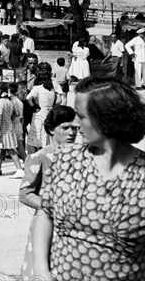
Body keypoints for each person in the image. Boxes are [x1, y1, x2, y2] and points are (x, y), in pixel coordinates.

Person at [33, 76, 145, 280]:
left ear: (107, 118)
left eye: (81, 116)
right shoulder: (66, 158)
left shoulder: (141, 175)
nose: (76, 123)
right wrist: (41, 272)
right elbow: (45, 214)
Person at [18, 105, 78, 278]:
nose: (71, 133)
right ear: (51, 129)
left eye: (74, 128)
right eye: (65, 128)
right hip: (47, 227)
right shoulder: (39, 158)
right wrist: (48, 205)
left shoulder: (82, 156)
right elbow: (25, 193)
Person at [26, 70, 58, 155]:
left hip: (39, 114)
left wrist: (34, 107)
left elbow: (28, 98)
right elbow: (58, 100)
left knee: (35, 137)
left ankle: (33, 159)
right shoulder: (52, 89)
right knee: (46, 137)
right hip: (49, 113)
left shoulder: (38, 88)